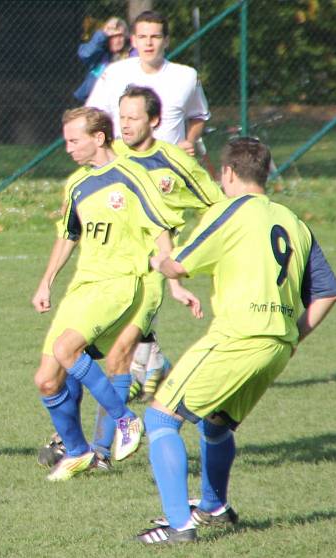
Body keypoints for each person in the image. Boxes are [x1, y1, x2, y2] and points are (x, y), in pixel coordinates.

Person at [135, 137, 336, 544]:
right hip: (277, 346)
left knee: (160, 418)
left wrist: (155, 260)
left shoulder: (228, 211)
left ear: (227, 173)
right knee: (216, 424)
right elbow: (328, 291)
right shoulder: (294, 222)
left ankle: (178, 526)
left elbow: (178, 264)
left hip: (237, 337)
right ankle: (213, 507)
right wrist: (293, 336)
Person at [31, 107, 183, 481]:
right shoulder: (76, 184)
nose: (67, 148)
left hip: (119, 283)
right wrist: (46, 280)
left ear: (98, 138)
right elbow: (68, 234)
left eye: (74, 140)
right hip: (83, 286)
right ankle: (79, 452)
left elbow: (161, 227)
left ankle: (126, 419)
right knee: (46, 380)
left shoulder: (132, 176)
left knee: (72, 351)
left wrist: (175, 280)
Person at [87, 85, 225, 459]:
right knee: (71, 355)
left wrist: (182, 272)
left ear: (154, 121)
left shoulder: (175, 162)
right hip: (107, 272)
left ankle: (98, 450)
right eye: (122, 117)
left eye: (134, 117)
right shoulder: (110, 158)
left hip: (148, 275)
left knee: (115, 355)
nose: (126, 124)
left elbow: (220, 208)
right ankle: (157, 367)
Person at [85, 10, 210, 157]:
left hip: (169, 168)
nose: (148, 43)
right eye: (142, 37)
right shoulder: (114, 73)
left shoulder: (186, 76)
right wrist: (105, 150)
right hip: (124, 166)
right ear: (133, 40)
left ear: (166, 41)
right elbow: (92, 116)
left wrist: (189, 141)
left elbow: (199, 116)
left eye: (155, 37)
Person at [73, 17, 133, 104]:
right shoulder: (99, 54)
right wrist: (102, 34)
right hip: (92, 101)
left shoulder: (132, 54)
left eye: (120, 36)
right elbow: (85, 54)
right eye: (112, 36)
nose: (117, 40)